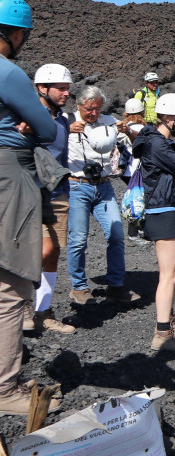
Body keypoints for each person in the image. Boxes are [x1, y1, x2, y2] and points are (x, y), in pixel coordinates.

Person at [0, 0, 63, 416]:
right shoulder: (7, 72)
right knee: (10, 285)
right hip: (9, 173)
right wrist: (29, 124)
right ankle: (5, 389)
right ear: (12, 32)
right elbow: (46, 128)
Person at [132, 93, 175, 351]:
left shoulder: (157, 142)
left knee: (173, 272)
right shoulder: (159, 145)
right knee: (169, 274)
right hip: (163, 209)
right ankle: (162, 334)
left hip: (165, 208)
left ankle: (168, 323)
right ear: (171, 118)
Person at [65, 86, 132, 305]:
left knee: (116, 235)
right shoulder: (66, 121)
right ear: (78, 105)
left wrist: (127, 129)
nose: (93, 113)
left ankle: (116, 285)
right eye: (89, 109)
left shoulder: (108, 121)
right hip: (77, 186)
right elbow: (46, 139)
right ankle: (79, 287)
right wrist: (65, 130)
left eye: (97, 109)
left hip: (103, 186)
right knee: (78, 239)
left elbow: (131, 139)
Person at [26, 64, 77, 334]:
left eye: (68, 88)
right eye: (61, 88)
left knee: (54, 252)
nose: (66, 93)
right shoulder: (28, 117)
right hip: (32, 194)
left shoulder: (62, 120)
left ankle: (42, 311)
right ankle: (22, 304)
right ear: (42, 88)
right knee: (39, 251)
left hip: (59, 193)